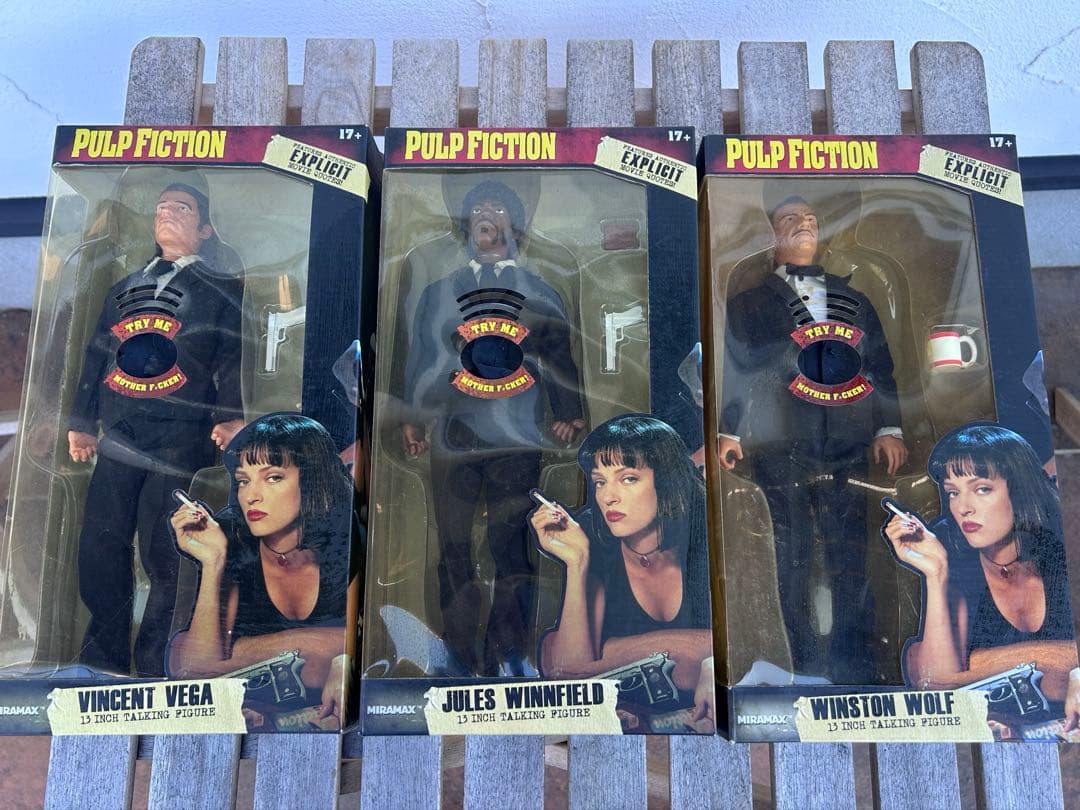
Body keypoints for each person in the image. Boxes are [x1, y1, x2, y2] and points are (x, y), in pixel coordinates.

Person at [718, 195, 908, 682]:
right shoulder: (750, 304)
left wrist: (888, 427)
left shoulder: (855, 300)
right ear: (771, 235)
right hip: (781, 442)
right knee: (791, 553)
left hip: (847, 439)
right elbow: (738, 371)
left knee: (850, 552)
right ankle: (800, 660)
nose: (803, 225)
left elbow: (880, 365)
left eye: (810, 219)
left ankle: (855, 662)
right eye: (790, 219)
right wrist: (729, 430)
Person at [400, 180, 585, 677]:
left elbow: (558, 352)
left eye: (498, 207)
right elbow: (423, 356)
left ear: (515, 225)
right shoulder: (440, 292)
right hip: (453, 435)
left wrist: (568, 409)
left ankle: (509, 654)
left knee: (511, 545)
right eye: (478, 207)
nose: (486, 213)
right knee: (453, 546)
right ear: (466, 225)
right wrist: (413, 417)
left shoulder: (539, 291)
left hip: (517, 434)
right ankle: (460, 655)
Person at [67, 182, 245, 677]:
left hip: (180, 436)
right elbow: (96, 354)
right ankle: (101, 659)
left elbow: (232, 354)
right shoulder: (124, 288)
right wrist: (81, 421)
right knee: (101, 543)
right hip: (120, 433)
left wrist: (229, 416)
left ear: (205, 229)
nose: (166, 213)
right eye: (161, 207)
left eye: (181, 208)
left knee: (165, 549)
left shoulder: (220, 288)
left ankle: (155, 663)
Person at [883, 424, 1079, 731]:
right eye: (953, 492)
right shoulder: (955, 563)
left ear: (1019, 489)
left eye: (982, 489)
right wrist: (937, 573)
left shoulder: (1061, 546)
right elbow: (938, 688)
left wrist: (980, 664)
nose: (963, 508)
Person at [168, 413, 358, 729]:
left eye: (272, 478)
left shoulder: (348, 538)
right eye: (244, 480)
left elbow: (381, 647)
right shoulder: (231, 538)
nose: (251, 495)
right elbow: (195, 674)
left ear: (313, 480)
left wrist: (342, 661)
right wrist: (214, 561)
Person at [529, 414, 714, 730]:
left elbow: (739, 650)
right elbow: (569, 676)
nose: (607, 496)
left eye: (628, 478)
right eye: (600, 481)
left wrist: (611, 654)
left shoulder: (706, 533)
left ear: (667, 480)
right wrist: (578, 561)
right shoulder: (590, 537)